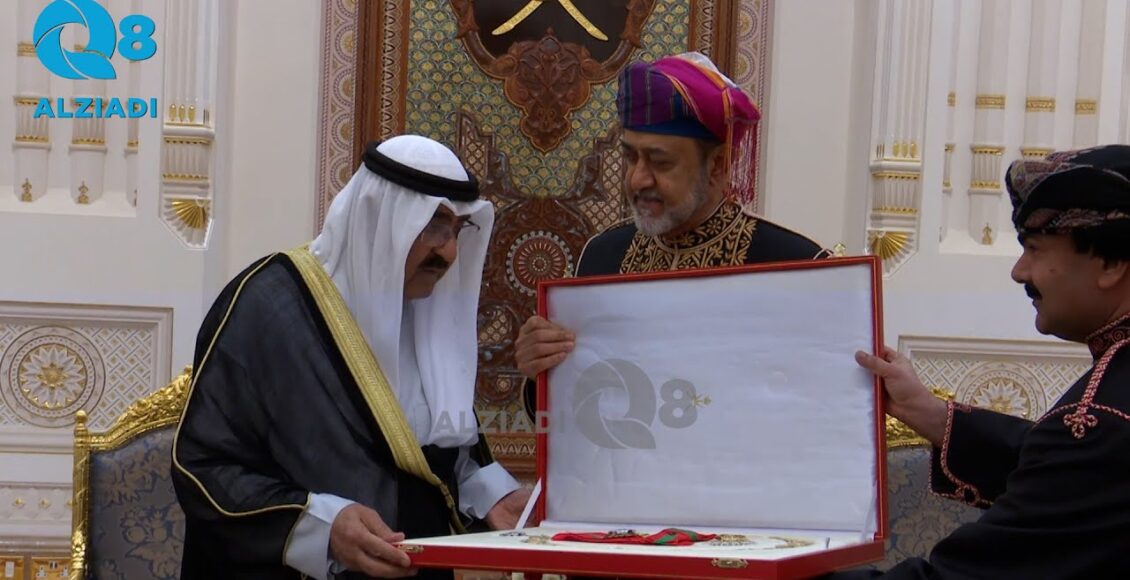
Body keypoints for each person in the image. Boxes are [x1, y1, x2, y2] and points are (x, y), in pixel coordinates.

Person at [172, 135, 529, 580]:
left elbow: (432, 456)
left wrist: (488, 493)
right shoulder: (268, 307)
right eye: (434, 226)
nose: (450, 253)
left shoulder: (424, 312)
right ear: (381, 219)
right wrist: (321, 528)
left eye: (458, 230)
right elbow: (203, 467)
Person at [846, 145, 1130, 578]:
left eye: (1034, 248)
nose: (1019, 272)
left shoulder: (1096, 422)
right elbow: (1062, 470)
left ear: (1111, 263)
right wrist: (927, 411)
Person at [517, 52, 830, 410]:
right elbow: (574, 414)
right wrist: (540, 372)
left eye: (660, 162)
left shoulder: (794, 266)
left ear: (717, 165)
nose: (637, 179)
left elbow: (821, 414)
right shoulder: (603, 255)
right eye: (630, 157)